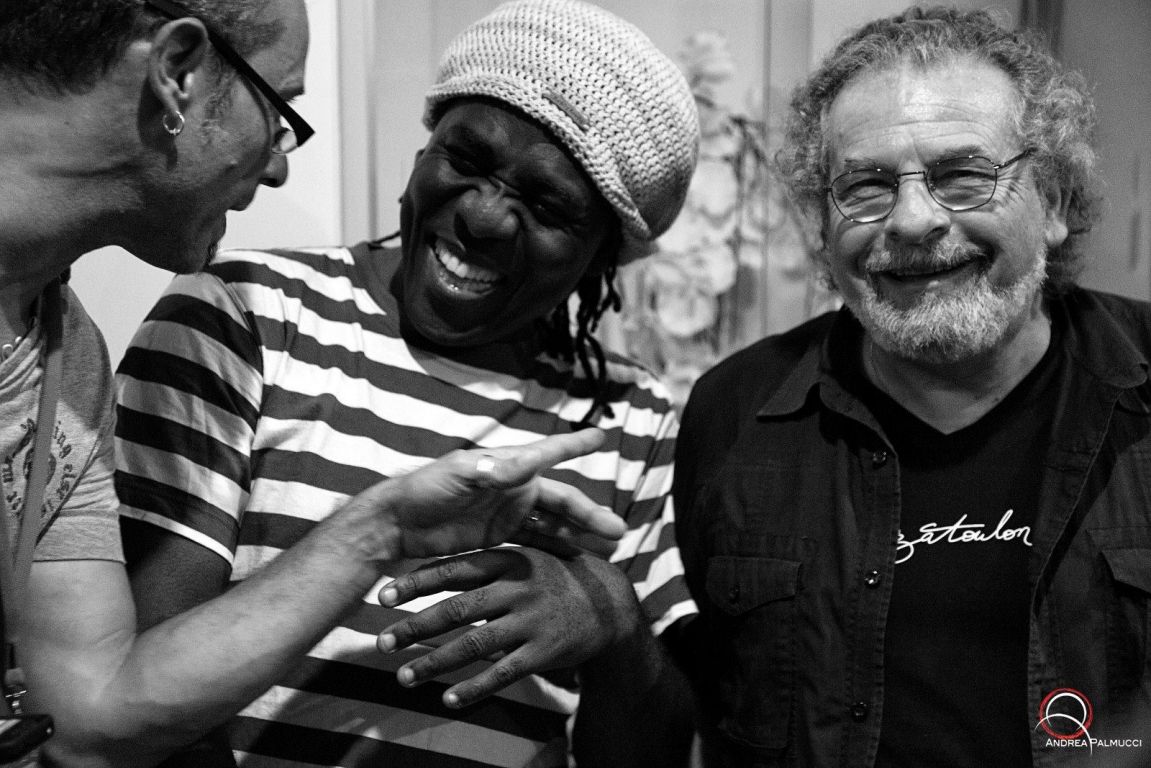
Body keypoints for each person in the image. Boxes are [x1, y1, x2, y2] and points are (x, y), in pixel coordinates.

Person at [0, 1, 631, 766]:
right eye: (280, 111)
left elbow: (88, 721)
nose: (278, 166)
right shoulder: (238, 314)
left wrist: (380, 528)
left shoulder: (66, 363)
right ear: (177, 72)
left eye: (547, 205)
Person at [673, 5, 1151, 767]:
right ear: (822, 225)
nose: (912, 220)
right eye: (864, 186)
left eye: (962, 175)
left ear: (1054, 203)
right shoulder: (733, 412)